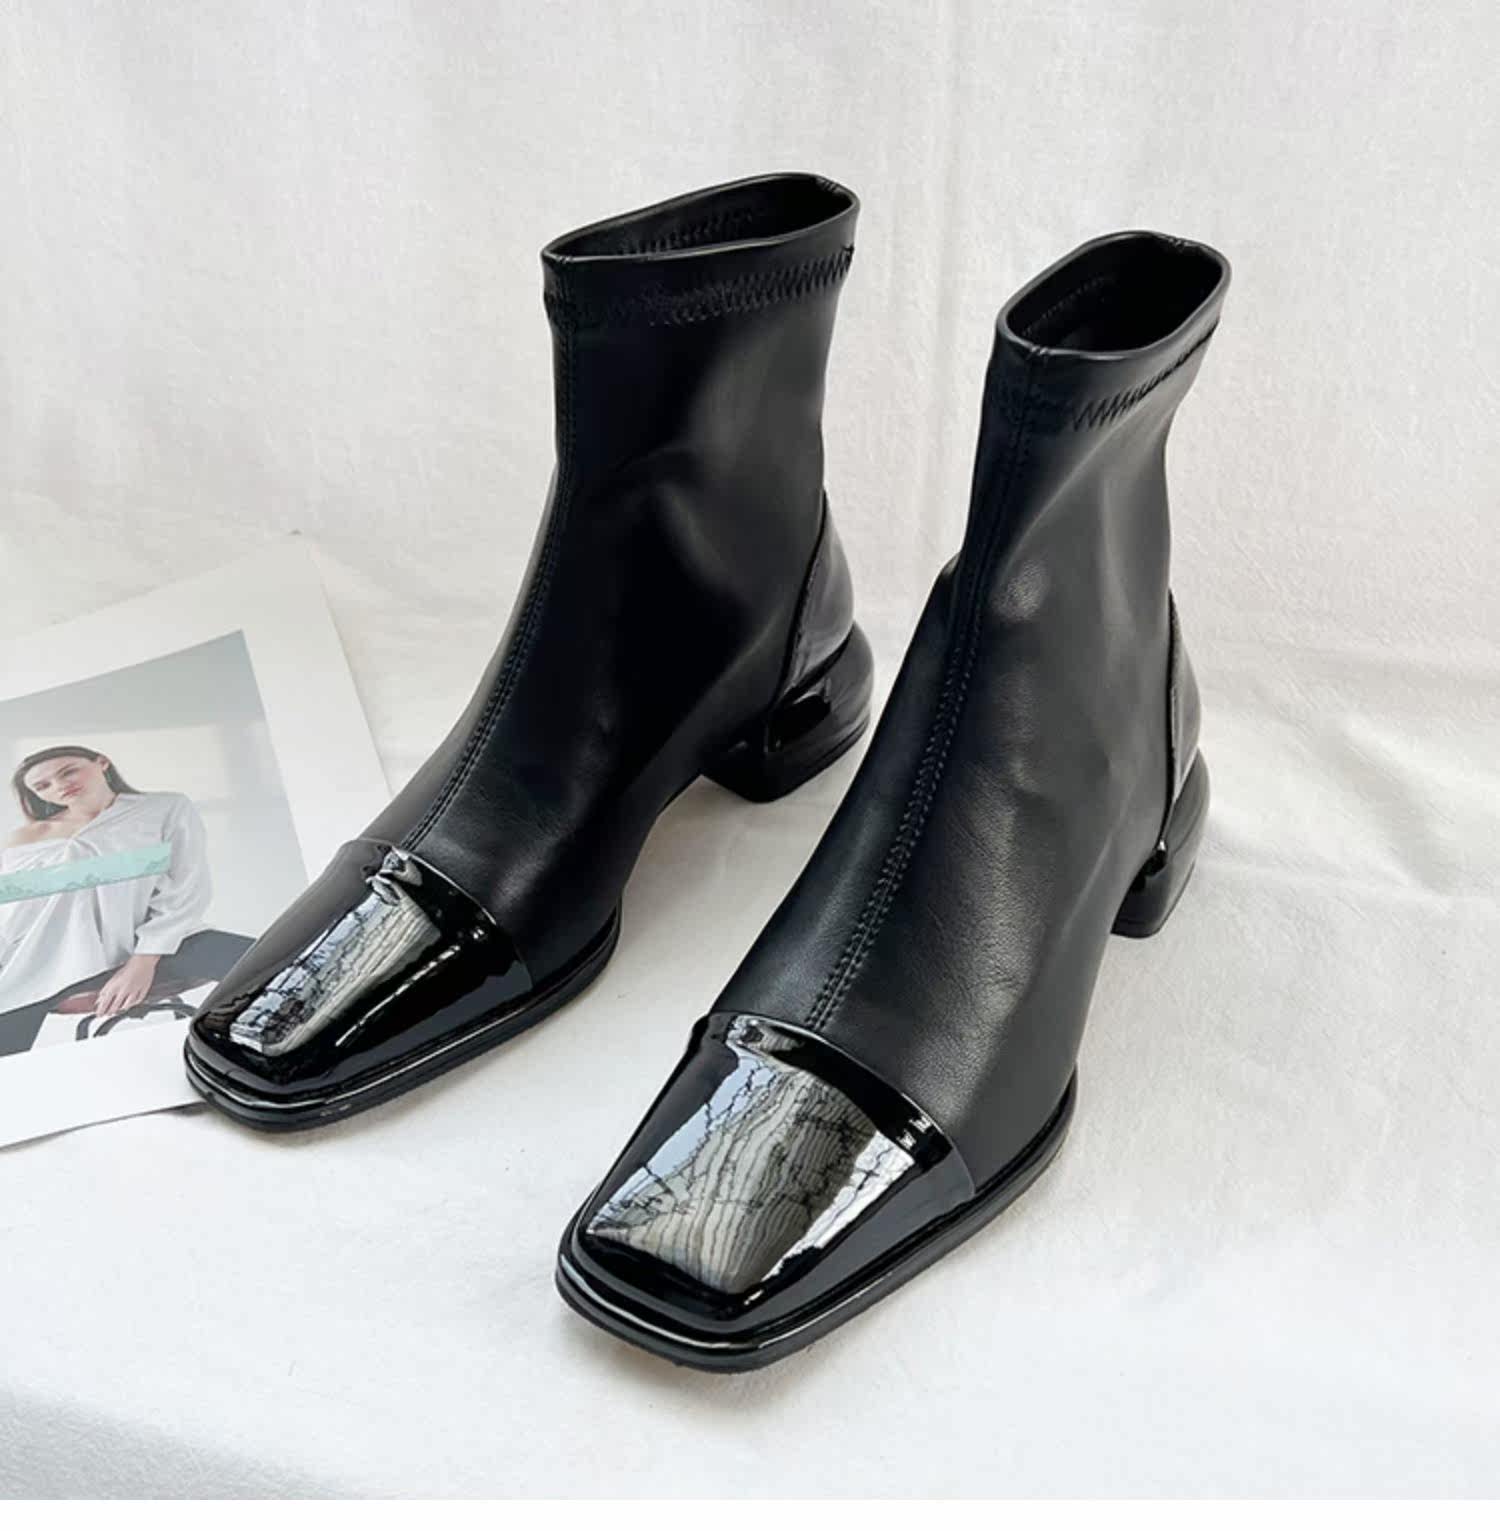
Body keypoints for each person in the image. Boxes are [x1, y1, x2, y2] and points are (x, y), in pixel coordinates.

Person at [0, 745, 247, 1055]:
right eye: (42, 786)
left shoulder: (163, 808)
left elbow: (186, 886)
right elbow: (15, 912)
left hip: (159, 942)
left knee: (277, 965)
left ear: (102, 762)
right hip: (51, 958)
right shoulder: (27, 837)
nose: (59, 786)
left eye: (69, 771)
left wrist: (141, 963)